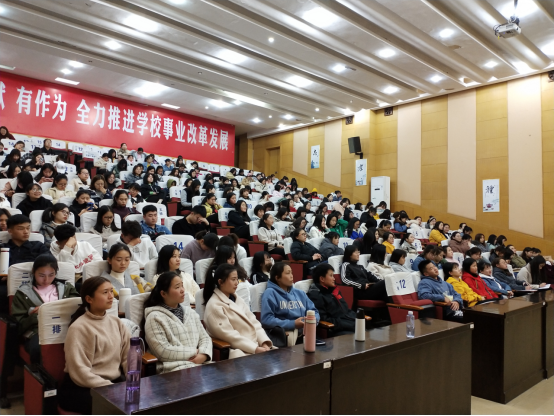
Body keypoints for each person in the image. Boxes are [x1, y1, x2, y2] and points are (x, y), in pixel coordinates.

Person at [58, 276, 129, 415]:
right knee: (118, 408)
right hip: (82, 387)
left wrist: (132, 381)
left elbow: (128, 357)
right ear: (89, 299)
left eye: (111, 291)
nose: (111, 296)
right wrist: (111, 388)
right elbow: (80, 372)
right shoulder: (79, 328)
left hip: (112, 383)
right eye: (105, 292)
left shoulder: (117, 323)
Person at [11, 255, 79, 364]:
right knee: (38, 349)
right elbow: (18, 325)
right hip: (37, 332)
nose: (46, 280)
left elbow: (77, 308)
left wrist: (49, 311)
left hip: (65, 328)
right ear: (33, 272)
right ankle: (38, 374)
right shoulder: (23, 293)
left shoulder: (66, 288)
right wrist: (36, 316)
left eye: (51, 275)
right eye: (41, 275)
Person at [143, 271, 211, 374]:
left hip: (199, 363)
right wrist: (194, 352)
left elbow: (205, 337)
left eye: (182, 286)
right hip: (173, 369)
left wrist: (204, 355)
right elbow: (162, 350)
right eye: (177, 287)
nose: (183, 290)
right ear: (163, 293)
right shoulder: (154, 317)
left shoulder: (190, 312)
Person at [203, 264, 273, 359]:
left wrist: (264, 343)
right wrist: (255, 349)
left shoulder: (237, 298)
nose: (237, 283)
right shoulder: (214, 306)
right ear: (220, 282)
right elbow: (229, 336)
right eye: (233, 279)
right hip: (238, 350)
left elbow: (254, 322)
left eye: (237, 279)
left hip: (256, 346)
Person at [261, 262, 319, 345]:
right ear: (277, 278)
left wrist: (311, 321)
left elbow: (314, 311)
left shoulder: (300, 293)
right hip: (285, 337)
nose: (291, 276)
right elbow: (266, 319)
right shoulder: (270, 293)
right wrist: (293, 324)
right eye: (288, 273)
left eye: (291, 272)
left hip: (306, 333)